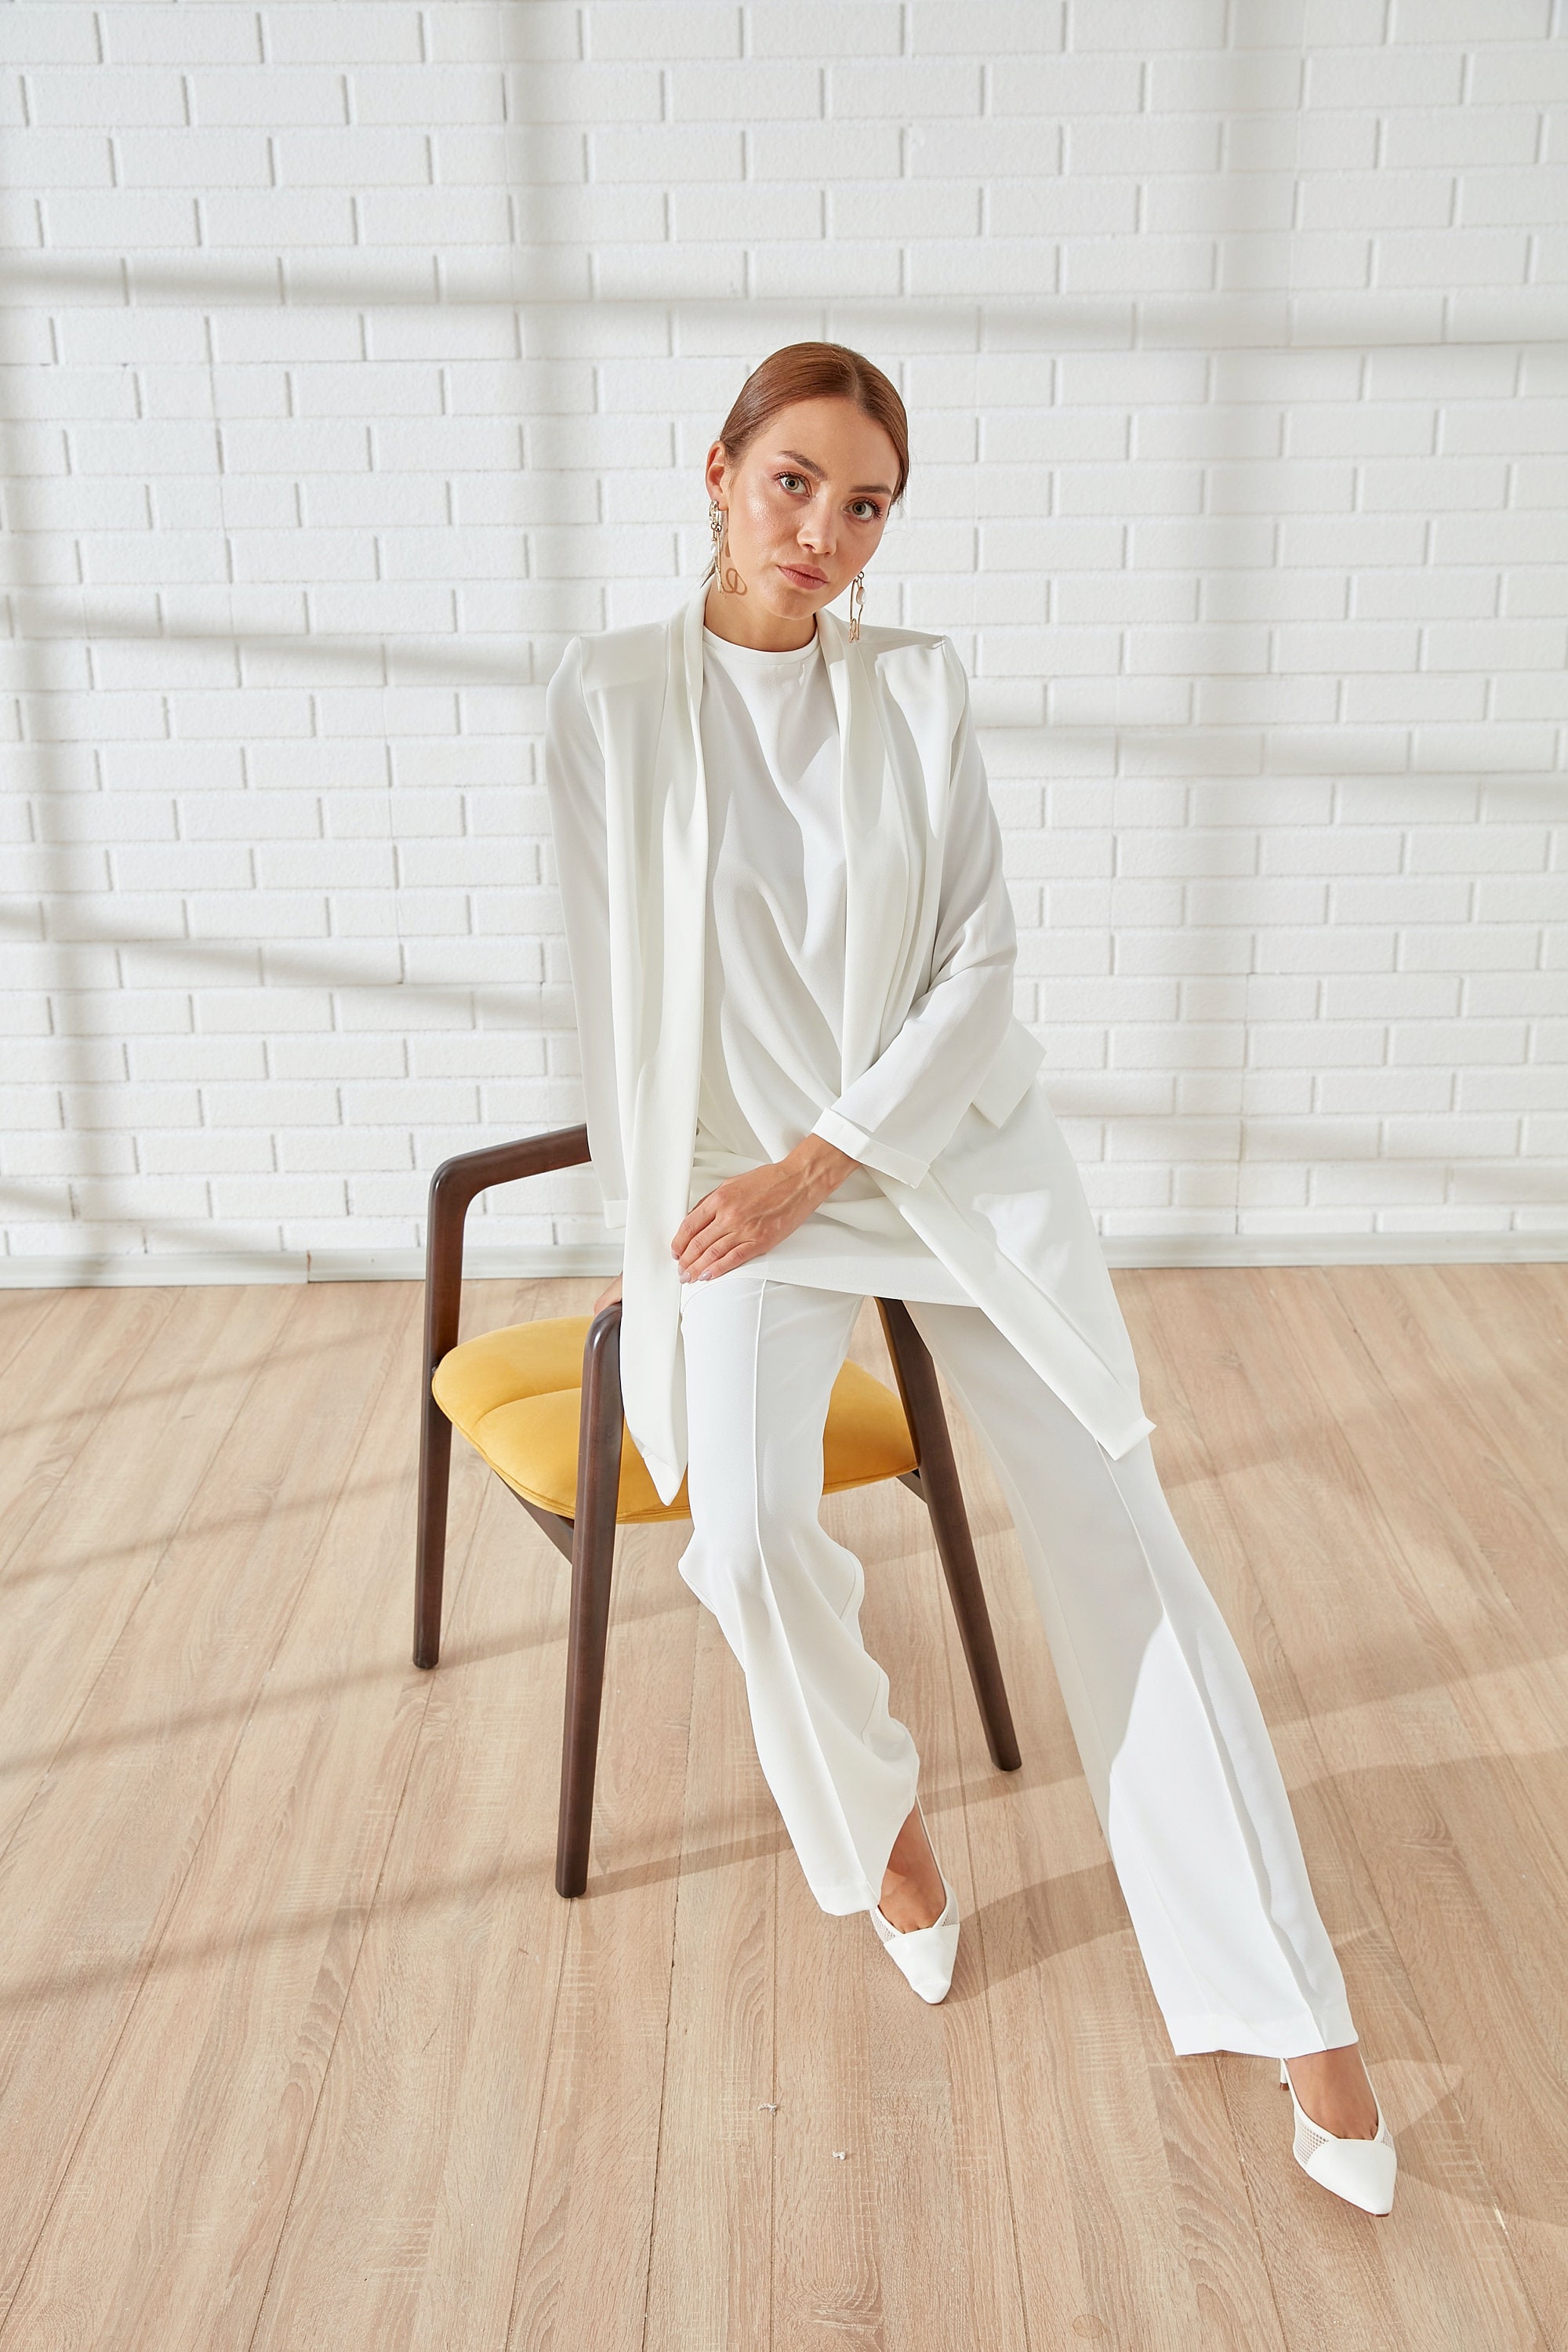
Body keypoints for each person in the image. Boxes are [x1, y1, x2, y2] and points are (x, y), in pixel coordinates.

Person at [543, 342, 1397, 2216]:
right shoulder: (606, 695)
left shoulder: (915, 692)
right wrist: (670, 1231)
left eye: (863, 506)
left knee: (1119, 1529)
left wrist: (824, 1159)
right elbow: (615, 1000)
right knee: (745, 1540)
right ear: (716, 472)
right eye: (792, 483)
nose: (823, 533)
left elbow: (983, 973)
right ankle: (883, 1833)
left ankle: (1299, 2014)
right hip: (731, 1191)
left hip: (936, 1165)